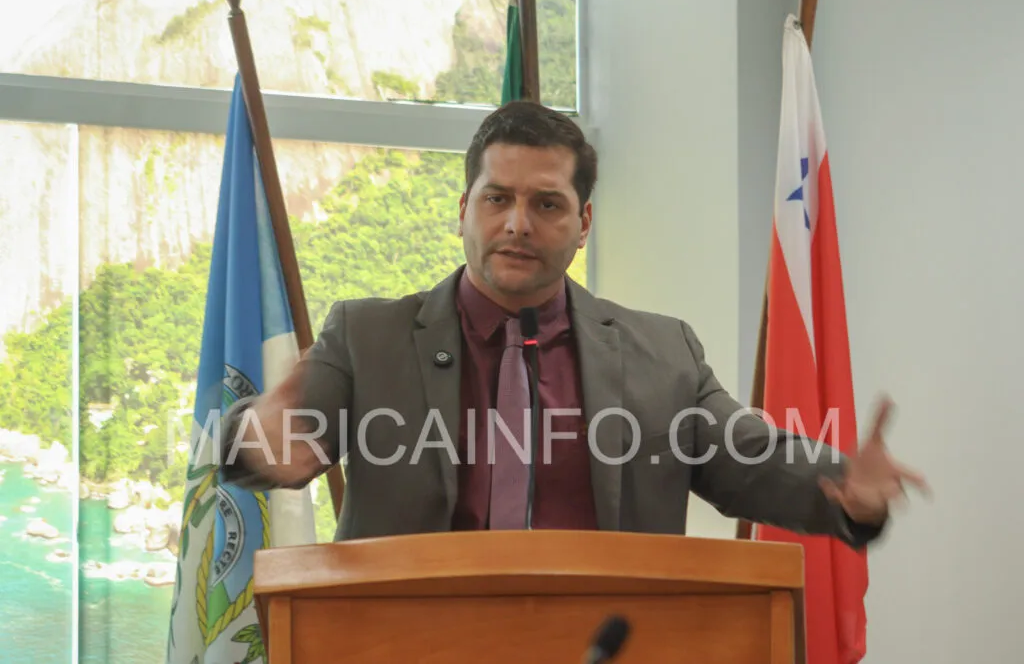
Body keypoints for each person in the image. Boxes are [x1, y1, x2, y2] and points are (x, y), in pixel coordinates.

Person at [219, 100, 928, 544]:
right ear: (463, 210)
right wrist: (258, 441)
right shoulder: (365, 337)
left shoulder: (663, 352)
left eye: (547, 204)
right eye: (497, 199)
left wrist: (847, 485)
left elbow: (754, 462)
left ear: (584, 222)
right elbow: (276, 441)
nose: (517, 224)